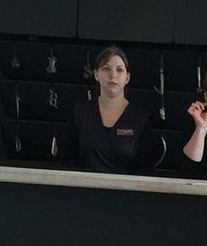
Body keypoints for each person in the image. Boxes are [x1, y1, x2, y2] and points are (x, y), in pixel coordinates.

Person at [64, 46, 156, 174]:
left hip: (126, 192)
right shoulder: (80, 113)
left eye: (119, 70)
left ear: (127, 78)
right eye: (106, 68)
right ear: (96, 74)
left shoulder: (141, 120)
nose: (113, 74)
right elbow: (68, 161)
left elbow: (145, 171)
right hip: (85, 191)